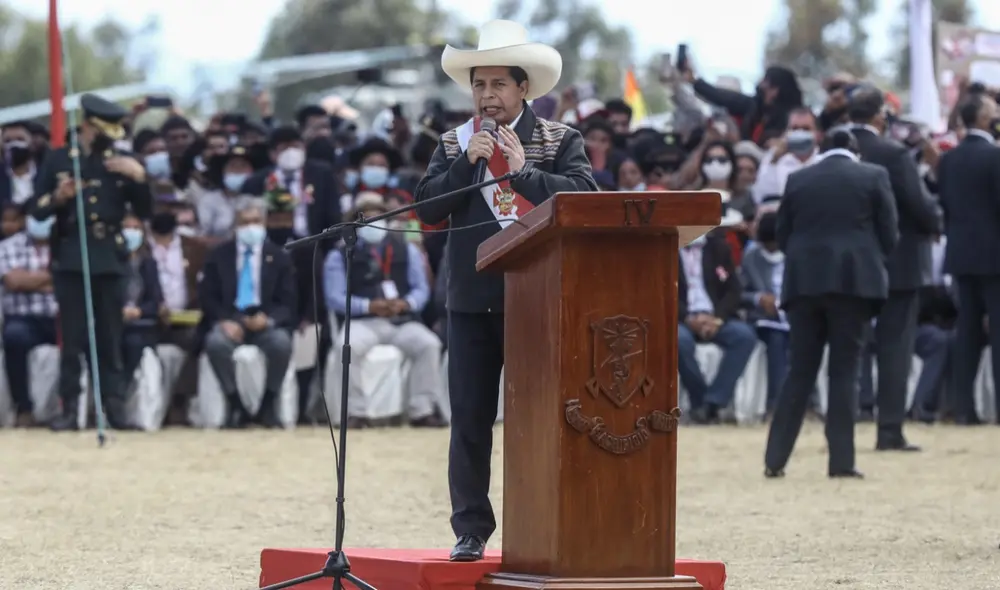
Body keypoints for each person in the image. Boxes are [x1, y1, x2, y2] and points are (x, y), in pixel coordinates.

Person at [413, 19, 598, 562]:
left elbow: (586, 198)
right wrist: (464, 169)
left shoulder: (560, 139)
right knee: (469, 420)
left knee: (540, 418)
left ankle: (542, 522)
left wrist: (524, 174)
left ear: (523, 89)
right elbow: (426, 207)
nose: (486, 96)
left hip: (538, 300)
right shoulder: (454, 143)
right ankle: (471, 528)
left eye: (497, 85)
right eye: (478, 85)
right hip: (470, 302)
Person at [764, 129, 898, 479]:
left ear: (820, 149)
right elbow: (890, 234)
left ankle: (775, 459)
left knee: (800, 371)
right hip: (853, 284)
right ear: (854, 150)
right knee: (844, 371)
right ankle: (841, 461)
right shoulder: (873, 175)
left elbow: (781, 235)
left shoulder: (798, 178)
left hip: (804, 283)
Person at [29, 93, 153, 431]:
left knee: (110, 337)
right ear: (88, 126)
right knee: (73, 337)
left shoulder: (120, 161)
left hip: (110, 257)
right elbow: (36, 209)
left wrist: (140, 177)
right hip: (72, 256)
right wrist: (59, 198)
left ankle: (113, 408)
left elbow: (145, 211)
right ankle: (69, 408)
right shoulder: (58, 159)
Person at [848, 85, 941, 449]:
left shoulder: (833, 152)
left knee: (848, 346)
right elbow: (920, 207)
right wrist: (936, 216)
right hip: (900, 264)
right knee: (895, 347)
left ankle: (844, 426)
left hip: (851, 265)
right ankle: (889, 429)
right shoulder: (894, 153)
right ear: (880, 115)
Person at [323, 193, 446, 428]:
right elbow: (335, 297)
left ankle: (422, 410)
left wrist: (406, 303)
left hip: (401, 320)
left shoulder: (405, 248)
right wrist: (368, 305)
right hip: (364, 321)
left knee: (429, 344)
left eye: (378, 217)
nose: (374, 223)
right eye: (366, 219)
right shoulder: (339, 254)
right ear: (354, 223)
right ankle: (355, 413)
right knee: (345, 348)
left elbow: (421, 289)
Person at [199, 200, 296, 429]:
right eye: (245, 222)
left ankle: (268, 405)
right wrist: (224, 320)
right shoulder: (218, 255)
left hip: (265, 322)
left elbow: (289, 301)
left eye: (256, 222)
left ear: (264, 224)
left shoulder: (279, 256)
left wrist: (269, 319)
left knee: (281, 344)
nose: (251, 227)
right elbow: (207, 297)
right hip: (231, 320)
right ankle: (235, 405)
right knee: (215, 343)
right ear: (235, 226)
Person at [937, 91, 1000, 425]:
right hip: (995, 257)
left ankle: (964, 409)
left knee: (968, 332)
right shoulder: (995, 156)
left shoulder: (949, 159)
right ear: (981, 118)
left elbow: (945, 205)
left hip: (961, 254)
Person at [0, 204, 59, 427]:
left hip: (60, 318)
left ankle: (72, 408)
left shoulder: (65, 245)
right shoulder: (7, 246)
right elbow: (14, 282)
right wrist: (52, 278)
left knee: (84, 338)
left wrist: (30, 281)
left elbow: (72, 282)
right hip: (23, 318)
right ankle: (23, 408)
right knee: (14, 338)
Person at [119, 213, 163, 382]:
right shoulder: (111, 263)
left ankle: (123, 392)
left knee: (134, 343)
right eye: (127, 228)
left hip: (142, 324)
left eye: (136, 228)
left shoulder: (149, 264)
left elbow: (155, 300)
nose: (131, 233)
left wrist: (138, 311)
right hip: (113, 322)